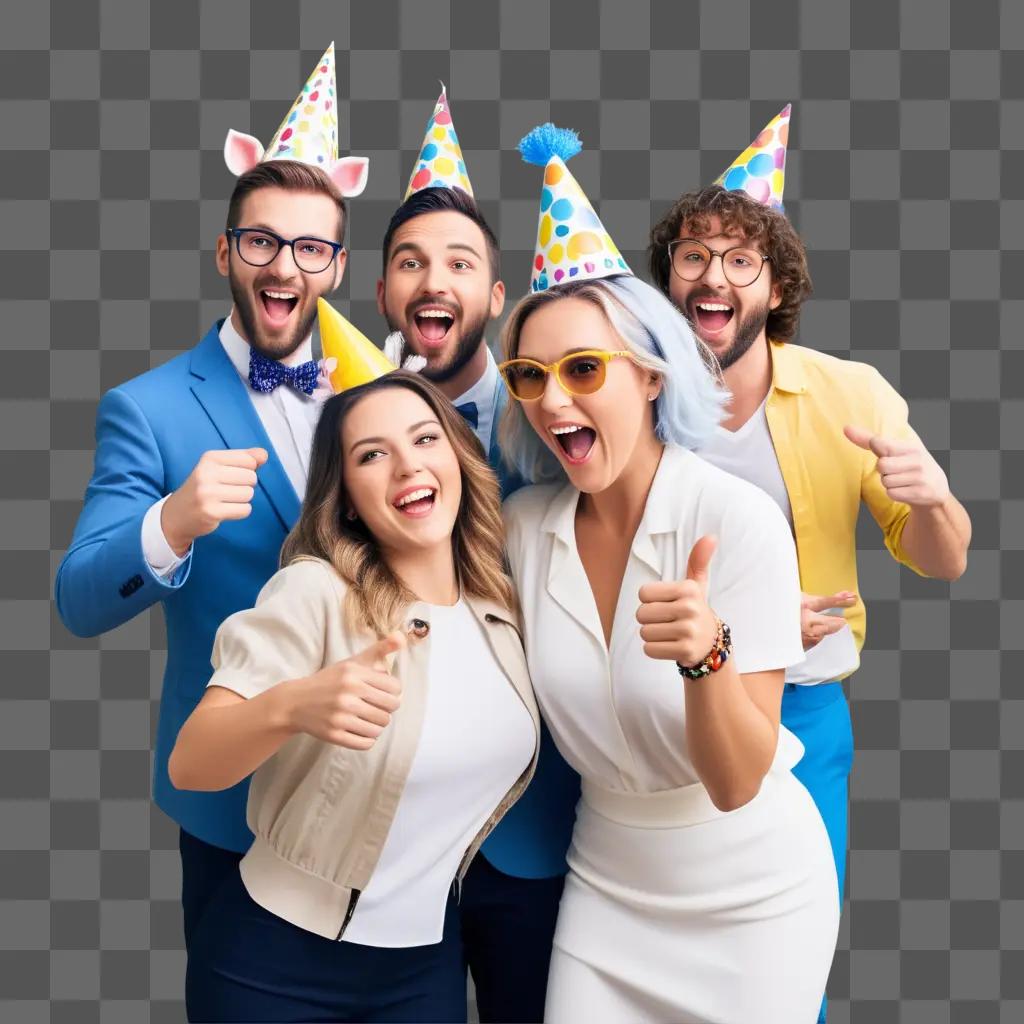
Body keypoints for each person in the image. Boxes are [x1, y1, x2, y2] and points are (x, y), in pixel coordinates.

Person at [496, 124, 840, 1023]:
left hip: (754, 900)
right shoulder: (524, 529)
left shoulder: (737, 525)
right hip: (606, 889)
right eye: (530, 376)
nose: (554, 400)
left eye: (582, 368)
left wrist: (708, 654)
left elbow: (735, 783)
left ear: (651, 376)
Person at [648, 108, 970, 1021]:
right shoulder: (628, 393)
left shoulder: (847, 393)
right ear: (668, 276)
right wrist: (740, 631)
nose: (714, 275)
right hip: (652, 708)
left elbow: (941, 562)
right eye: (693, 255)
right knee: (661, 948)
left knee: (786, 957)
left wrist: (933, 496)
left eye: (740, 259)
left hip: (805, 715)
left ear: (776, 284)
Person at [53, 44, 370, 951]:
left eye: (311, 247)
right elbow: (79, 600)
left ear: (337, 266)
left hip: (387, 789)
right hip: (234, 798)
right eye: (263, 241)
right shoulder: (148, 410)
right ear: (227, 250)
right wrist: (172, 523)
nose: (285, 267)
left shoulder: (382, 394)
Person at [170, 370, 539, 1023]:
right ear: (345, 500)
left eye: (425, 439)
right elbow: (192, 763)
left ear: (456, 458)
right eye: (372, 454)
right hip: (273, 967)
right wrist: (292, 706)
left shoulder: (503, 610)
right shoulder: (314, 593)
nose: (406, 466)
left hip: (424, 966)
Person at [376, 89, 579, 1022]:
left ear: (497, 299)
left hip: (534, 827)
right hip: (393, 833)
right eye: (410, 262)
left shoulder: (559, 424)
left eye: (460, 263)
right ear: (383, 293)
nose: (433, 281)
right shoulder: (348, 433)